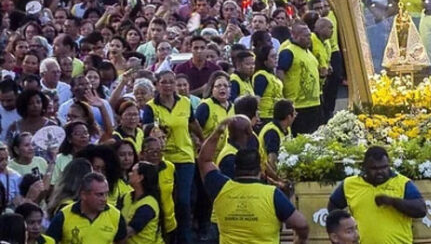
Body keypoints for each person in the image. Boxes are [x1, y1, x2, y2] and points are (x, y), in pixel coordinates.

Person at [199, 115, 309, 243]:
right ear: (259, 169)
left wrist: (218, 131)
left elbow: (204, 160)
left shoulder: (220, 187)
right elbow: (301, 224)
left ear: (235, 167)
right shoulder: (272, 195)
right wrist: (300, 240)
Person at [141, 70, 202, 244]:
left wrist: (203, 140)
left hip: (184, 157)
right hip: (162, 159)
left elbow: (192, 123)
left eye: (170, 82)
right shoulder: (151, 106)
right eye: (163, 82)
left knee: (183, 200)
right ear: (157, 84)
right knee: (165, 199)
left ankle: (185, 238)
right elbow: (146, 130)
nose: (167, 86)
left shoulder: (185, 102)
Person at [327, 146, 426, 244]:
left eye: (384, 167)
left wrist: (393, 202)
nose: (380, 172)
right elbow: (333, 207)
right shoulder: (349, 184)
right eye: (374, 168)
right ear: (364, 167)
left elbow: (421, 210)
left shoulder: (403, 183)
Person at [46, 172, 127, 244]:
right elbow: (49, 240)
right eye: (99, 194)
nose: (104, 199)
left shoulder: (116, 216)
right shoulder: (64, 216)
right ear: (83, 195)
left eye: (106, 194)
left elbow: (122, 241)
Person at [277, 22, 322, 135]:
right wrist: (283, 96)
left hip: (314, 103)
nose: (309, 39)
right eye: (306, 36)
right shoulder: (288, 51)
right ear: (295, 35)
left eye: (309, 36)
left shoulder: (309, 53)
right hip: (298, 106)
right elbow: (280, 71)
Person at [119, 161, 164, 244]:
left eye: (133, 172)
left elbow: (128, 233)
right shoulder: (126, 197)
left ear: (140, 178)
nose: (129, 174)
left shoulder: (148, 205)